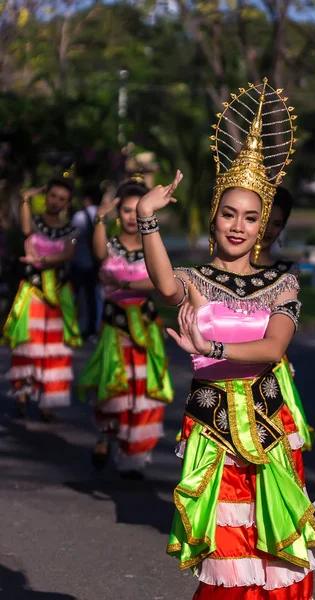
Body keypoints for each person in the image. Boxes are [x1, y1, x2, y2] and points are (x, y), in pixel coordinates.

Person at [136, 81, 315, 598]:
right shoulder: (195, 279)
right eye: (228, 213)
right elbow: (164, 284)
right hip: (213, 426)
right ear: (215, 215)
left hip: (268, 421)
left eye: (251, 216)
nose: (238, 226)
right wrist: (145, 218)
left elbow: (273, 350)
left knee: (274, 543)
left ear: (264, 223)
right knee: (227, 547)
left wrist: (211, 349)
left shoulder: (282, 281)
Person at [77, 178, 174, 479]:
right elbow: (98, 255)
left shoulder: (152, 245)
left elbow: (162, 281)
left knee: (142, 392)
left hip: (144, 328)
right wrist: (101, 218)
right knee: (113, 386)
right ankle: (106, 437)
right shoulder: (110, 244)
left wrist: (125, 284)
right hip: (115, 327)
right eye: (127, 210)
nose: (132, 216)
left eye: (137, 210)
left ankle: (134, 453)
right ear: (119, 212)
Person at [2, 177, 82, 421]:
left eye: (61, 199)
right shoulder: (35, 223)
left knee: (54, 347)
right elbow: (26, 229)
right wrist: (27, 198)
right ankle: (23, 394)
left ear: (67, 203)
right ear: (46, 196)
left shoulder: (70, 230)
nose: (56, 201)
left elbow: (68, 254)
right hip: (34, 292)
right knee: (29, 342)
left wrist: (41, 261)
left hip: (57, 294)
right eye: (52, 196)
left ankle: (48, 402)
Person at [257, 187, 315, 452]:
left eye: (277, 224)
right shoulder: (222, 270)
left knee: (276, 446)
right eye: (263, 220)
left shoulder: (287, 272)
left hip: (272, 368)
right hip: (229, 367)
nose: (268, 230)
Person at [71, 184, 102, 340]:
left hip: (79, 261)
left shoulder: (79, 217)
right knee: (92, 297)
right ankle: (92, 328)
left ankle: (72, 327)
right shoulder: (102, 215)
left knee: (74, 297)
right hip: (94, 263)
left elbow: (72, 239)